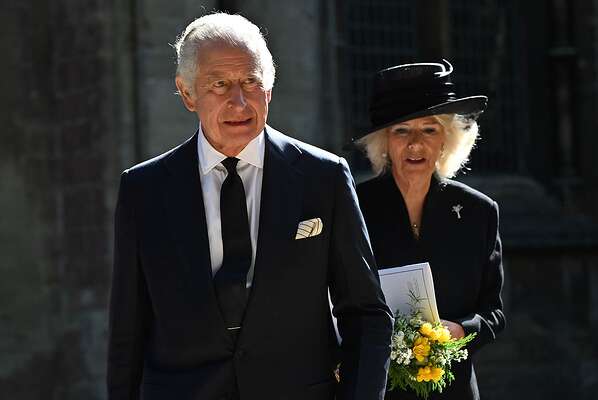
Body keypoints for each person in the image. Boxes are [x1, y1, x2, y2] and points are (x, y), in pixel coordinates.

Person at [107, 12, 393, 400]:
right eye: (220, 84)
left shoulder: (323, 178)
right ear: (187, 93)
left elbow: (367, 315)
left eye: (251, 82)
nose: (238, 101)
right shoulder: (144, 189)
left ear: (269, 89)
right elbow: (128, 329)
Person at [355, 60, 506, 400]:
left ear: (447, 140)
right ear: (384, 142)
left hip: (453, 390)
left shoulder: (480, 213)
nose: (416, 144)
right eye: (402, 131)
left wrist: (460, 330)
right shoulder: (353, 208)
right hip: (376, 388)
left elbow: (493, 312)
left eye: (429, 130)